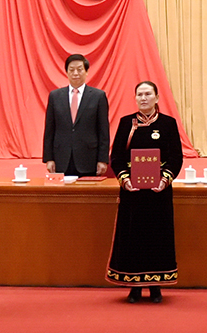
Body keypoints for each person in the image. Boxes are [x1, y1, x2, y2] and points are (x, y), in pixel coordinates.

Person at [106, 81, 183, 303]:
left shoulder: (168, 124)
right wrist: (125, 179)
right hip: (133, 192)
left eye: (148, 94)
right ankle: (134, 287)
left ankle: (156, 287)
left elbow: (176, 157)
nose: (144, 98)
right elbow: (117, 157)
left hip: (159, 192)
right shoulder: (126, 123)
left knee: (158, 237)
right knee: (134, 238)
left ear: (157, 98)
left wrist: (165, 180)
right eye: (139, 94)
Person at [43, 54, 110, 177]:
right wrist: (49, 158)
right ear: (66, 72)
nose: (75, 73)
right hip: (61, 158)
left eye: (79, 69)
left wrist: (102, 159)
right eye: (71, 69)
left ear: (87, 72)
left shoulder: (98, 96)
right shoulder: (55, 96)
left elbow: (103, 131)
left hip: (89, 158)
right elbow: (49, 129)